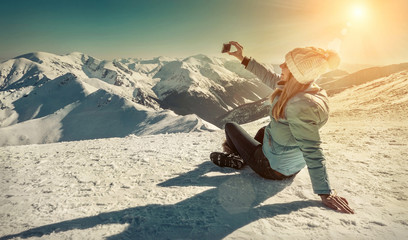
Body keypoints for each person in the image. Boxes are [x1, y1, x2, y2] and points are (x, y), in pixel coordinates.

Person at [210, 41, 354, 214]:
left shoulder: (299, 105)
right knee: (265, 130)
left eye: (286, 65)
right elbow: (269, 77)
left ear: (296, 73)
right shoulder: (307, 90)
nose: (281, 66)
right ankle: (245, 156)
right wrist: (243, 58)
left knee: (231, 126)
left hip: (272, 168)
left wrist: (325, 192)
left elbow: (312, 149)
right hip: (289, 162)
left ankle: (238, 158)